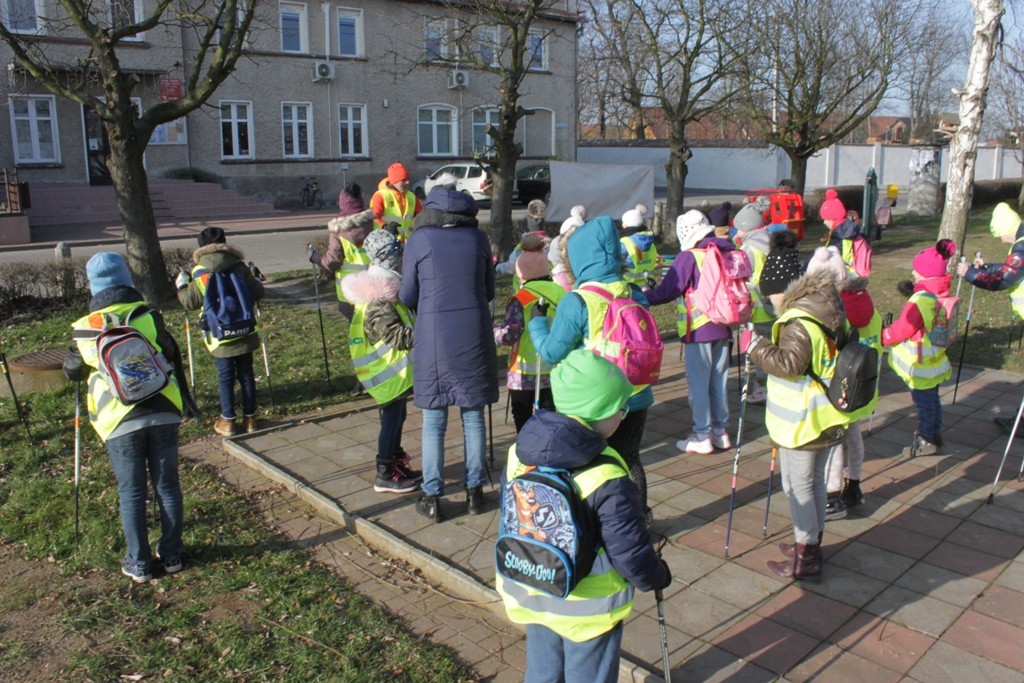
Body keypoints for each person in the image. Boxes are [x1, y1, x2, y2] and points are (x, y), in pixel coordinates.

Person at [496, 350, 671, 683]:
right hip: (588, 606)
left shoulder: (518, 453)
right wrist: (657, 576)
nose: (623, 415)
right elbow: (628, 551)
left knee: (542, 672)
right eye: (620, 408)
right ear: (602, 415)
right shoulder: (607, 473)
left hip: (532, 585)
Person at [65, 252, 185, 583]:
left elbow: (72, 370)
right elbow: (170, 352)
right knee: (168, 486)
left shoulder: (85, 328)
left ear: (93, 287)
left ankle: (139, 562)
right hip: (162, 409)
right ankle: (172, 554)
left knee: (132, 491)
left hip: (118, 419)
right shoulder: (147, 315)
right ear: (127, 280)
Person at [529, 216, 657, 524]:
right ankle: (639, 520)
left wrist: (536, 322)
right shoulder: (632, 292)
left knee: (591, 462)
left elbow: (551, 351)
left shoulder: (579, 300)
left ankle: (598, 523)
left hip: (594, 403)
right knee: (629, 458)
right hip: (636, 393)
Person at [747, 235, 851, 580]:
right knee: (815, 483)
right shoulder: (825, 305)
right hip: (827, 415)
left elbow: (789, 363)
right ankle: (811, 543)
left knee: (798, 486)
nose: (770, 301)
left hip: (803, 421)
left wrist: (755, 347)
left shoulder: (798, 320)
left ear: (783, 290)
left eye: (770, 294)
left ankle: (806, 556)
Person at [401, 180, 498, 521]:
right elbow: (488, 289)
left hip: (433, 336)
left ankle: (433, 496)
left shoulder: (419, 239)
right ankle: (475, 492)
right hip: (473, 331)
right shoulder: (477, 239)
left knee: (434, 420)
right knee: (472, 416)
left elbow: (407, 294)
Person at [645, 210, 734, 455]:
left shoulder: (689, 257)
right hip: (724, 325)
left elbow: (667, 291)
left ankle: (701, 434)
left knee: (698, 384)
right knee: (719, 381)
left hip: (698, 329)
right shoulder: (725, 249)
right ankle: (720, 432)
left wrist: (643, 296)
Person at [341, 228, 422, 494]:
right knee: (391, 421)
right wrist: (429, 331)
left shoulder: (384, 293)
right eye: (400, 258)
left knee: (396, 419)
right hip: (386, 375)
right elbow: (396, 337)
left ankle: (396, 465)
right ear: (391, 262)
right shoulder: (378, 300)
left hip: (390, 376)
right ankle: (385, 472)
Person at [805, 246, 882, 515]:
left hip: (841, 390)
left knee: (834, 440)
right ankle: (854, 485)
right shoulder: (867, 305)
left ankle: (832, 490)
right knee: (854, 436)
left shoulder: (835, 314)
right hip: (865, 387)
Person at [176, 227, 265, 437]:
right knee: (246, 374)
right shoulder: (240, 267)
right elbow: (258, 292)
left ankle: (228, 421)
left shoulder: (199, 272)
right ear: (225, 243)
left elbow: (189, 302)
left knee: (225, 377)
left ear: (201, 248)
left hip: (219, 333)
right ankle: (251, 418)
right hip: (244, 329)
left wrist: (181, 286)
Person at [883, 240, 956, 456]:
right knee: (933, 401)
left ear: (925, 274)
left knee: (924, 404)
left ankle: (926, 440)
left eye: (917, 270)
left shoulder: (920, 300)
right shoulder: (940, 293)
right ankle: (934, 434)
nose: (913, 272)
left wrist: (885, 336)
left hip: (920, 363)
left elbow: (904, 327)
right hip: (935, 360)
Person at [956, 203, 1024, 434]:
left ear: (1006, 229)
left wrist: (971, 274)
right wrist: (986, 267)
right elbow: (1011, 270)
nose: (1001, 241)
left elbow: (1003, 280)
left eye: (999, 235)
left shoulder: (1021, 246)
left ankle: (1021, 423)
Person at [494, 240, 564, 432]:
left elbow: (509, 335)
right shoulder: (561, 292)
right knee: (549, 416)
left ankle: (527, 454)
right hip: (555, 368)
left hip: (524, 372)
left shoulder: (521, 298)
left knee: (523, 417)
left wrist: (493, 332)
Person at [308, 183, 376, 321]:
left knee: (356, 330)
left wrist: (314, 256)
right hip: (374, 288)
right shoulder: (375, 225)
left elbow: (331, 262)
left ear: (342, 204)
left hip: (349, 291)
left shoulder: (338, 232)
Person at [733, 197, 774, 404]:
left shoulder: (750, 249)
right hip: (773, 306)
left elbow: (740, 276)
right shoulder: (768, 242)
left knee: (759, 350)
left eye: (738, 229)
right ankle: (770, 386)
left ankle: (762, 389)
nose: (737, 233)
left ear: (747, 228)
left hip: (758, 308)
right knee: (770, 346)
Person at [819, 188, 871, 277]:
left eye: (825, 219)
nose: (824, 222)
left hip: (842, 278)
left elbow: (831, 262)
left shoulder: (837, 237)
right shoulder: (851, 231)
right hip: (855, 275)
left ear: (833, 219)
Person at [370, 162, 422, 242]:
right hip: (387, 242)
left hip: (409, 244)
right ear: (394, 181)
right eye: (404, 180)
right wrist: (385, 227)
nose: (407, 182)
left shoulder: (411, 196)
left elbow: (422, 216)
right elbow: (373, 219)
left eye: (408, 179)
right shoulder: (380, 196)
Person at [619, 203, 660, 287]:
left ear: (626, 225)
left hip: (628, 287)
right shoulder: (650, 241)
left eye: (623, 223)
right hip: (647, 286)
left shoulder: (625, 242)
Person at [550, 205, 587, 292]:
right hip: (578, 278)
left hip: (560, 277)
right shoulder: (584, 243)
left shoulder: (556, 242)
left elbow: (552, 259)